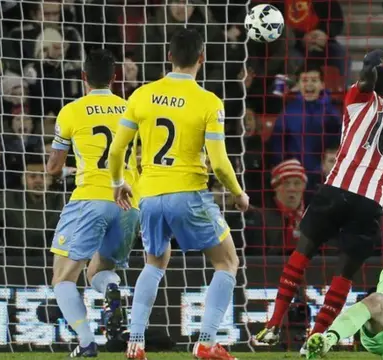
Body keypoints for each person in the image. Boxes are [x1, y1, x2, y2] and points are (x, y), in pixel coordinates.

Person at [255, 49, 383, 347]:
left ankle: (273, 325)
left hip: (336, 190)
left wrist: (369, 64)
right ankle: (316, 338)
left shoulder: (360, 98)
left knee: (301, 255)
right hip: (370, 204)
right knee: (344, 274)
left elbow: (365, 81)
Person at [107, 28, 249, 360]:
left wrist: (117, 183)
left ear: (169, 57)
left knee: (154, 263)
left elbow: (117, 150)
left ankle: (135, 342)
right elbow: (220, 163)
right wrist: (238, 194)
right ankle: (206, 342)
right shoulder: (208, 102)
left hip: (150, 196)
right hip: (188, 194)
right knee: (227, 262)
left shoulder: (141, 95)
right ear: (202, 58)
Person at [47, 49, 140, 358]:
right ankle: (112, 290)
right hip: (129, 203)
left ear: (83, 76)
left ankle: (86, 343)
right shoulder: (131, 110)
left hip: (90, 198)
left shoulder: (71, 111)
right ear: (115, 78)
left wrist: (68, 168)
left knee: (63, 277)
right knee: (99, 271)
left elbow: (53, 167)